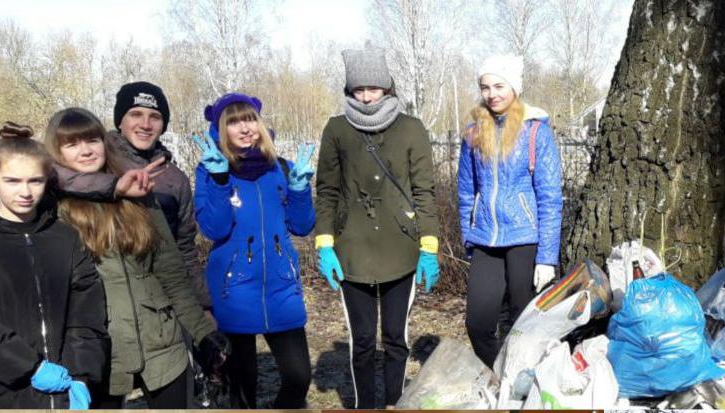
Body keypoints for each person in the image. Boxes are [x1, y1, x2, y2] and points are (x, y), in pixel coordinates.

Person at [43, 107, 230, 409]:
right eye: (72, 144)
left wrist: (203, 332)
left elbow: (172, 274)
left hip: (163, 343)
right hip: (99, 350)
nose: (86, 150)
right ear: (56, 151)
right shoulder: (51, 206)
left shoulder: (137, 192)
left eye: (92, 140)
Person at [315, 48, 440, 409]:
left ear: (387, 87)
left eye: (373, 88)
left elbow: (424, 192)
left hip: (401, 250)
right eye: (359, 89)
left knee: (396, 338)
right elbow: (327, 190)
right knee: (363, 342)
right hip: (351, 253)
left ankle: (394, 403)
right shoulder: (337, 129)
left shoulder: (411, 128)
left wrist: (429, 248)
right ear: (349, 91)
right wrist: (325, 244)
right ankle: (365, 405)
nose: (367, 97)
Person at [0, 122, 109, 409]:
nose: (25, 192)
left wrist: (81, 374)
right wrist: (29, 367)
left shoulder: (65, 238)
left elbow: (87, 313)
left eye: (35, 181)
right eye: (12, 181)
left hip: (63, 390)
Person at [194, 93, 316, 409]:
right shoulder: (210, 170)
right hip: (234, 289)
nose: (245, 128)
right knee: (242, 389)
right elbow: (214, 229)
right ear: (221, 129)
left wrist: (300, 190)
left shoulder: (281, 168)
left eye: (249, 119)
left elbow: (302, 226)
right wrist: (220, 180)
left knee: (299, 377)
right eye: (234, 122)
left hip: (281, 287)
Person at [52, 81, 210, 309]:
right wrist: (115, 187)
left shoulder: (175, 179)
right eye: (135, 114)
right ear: (120, 121)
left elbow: (184, 249)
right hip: (106, 299)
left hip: (165, 298)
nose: (145, 124)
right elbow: (52, 173)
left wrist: (204, 305)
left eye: (155, 117)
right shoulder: (98, 160)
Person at [457, 54, 563, 368]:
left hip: (525, 240)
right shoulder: (473, 134)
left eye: (499, 86)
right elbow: (466, 192)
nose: (492, 94)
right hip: (485, 241)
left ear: (514, 87)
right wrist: (468, 237)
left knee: (523, 326)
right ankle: (498, 376)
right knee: (478, 324)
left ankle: (522, 382)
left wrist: (546, 258)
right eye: (485, 87)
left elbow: (550, 199)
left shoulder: (535, 133)